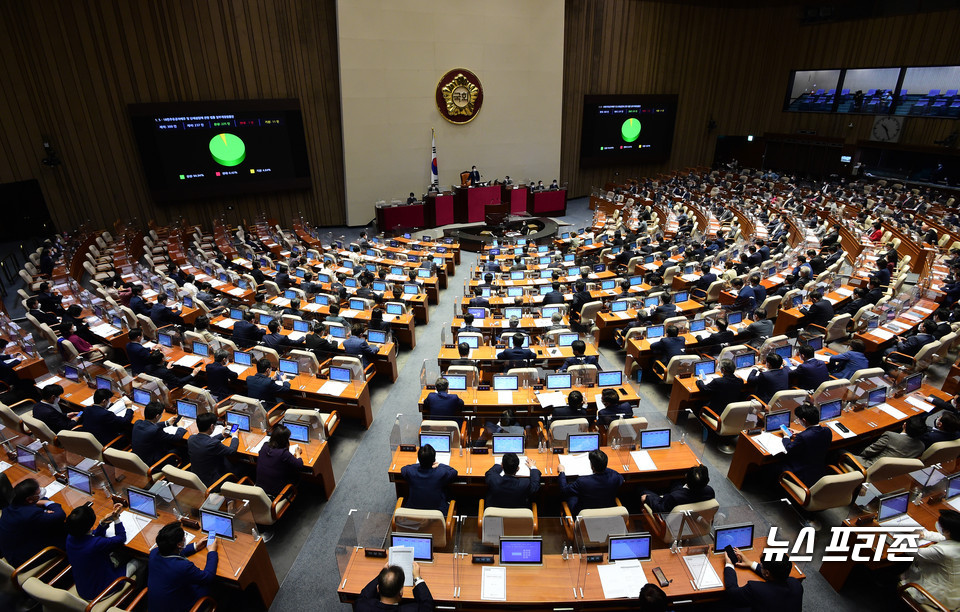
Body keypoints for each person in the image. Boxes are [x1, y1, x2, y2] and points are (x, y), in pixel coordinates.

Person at [65, 502, 133, 601]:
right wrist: (116, 519)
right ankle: (134, 595)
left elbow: (92, 536)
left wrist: (103, 523)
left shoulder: (70, 537)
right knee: (140, 561)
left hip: (84, 588)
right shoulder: (96, 544)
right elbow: (121, 538)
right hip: (101, 591)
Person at [148, 522, 218, 612]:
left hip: (158, 606)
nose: (184, 538)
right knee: (215, 586)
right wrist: (212, 551)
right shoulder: (183, 567)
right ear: (179, 544)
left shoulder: (154, 553)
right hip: (179, 607)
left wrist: (195, 546)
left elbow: (170, 553)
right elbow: (208, 577)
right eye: (183, 537)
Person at [900, 509, 960, 610]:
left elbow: (912, 551)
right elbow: (944, 537)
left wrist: (908, 537)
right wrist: (923, 534)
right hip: (954, 594)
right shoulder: (956, 538)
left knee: (900, 572)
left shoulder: (943, 551)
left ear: (947, 531)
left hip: (937, 597)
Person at [0, 479, 67, 566]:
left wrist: (39, 505)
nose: (41, 494)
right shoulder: (30, 514)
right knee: (69, 534)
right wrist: (48, 502)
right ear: (29, 499)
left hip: (13, 548)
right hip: (21, 559)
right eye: (38, 494)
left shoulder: (11, 506)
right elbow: (60, 515)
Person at [724, 549, 802, 612]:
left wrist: (729, 565)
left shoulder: (755, 588)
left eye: (761, 565)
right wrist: (750, 563)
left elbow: (732, 593)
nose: (760, 565)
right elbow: (775, 575)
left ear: (767, 573)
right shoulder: (796, 584)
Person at [558, 449, 624, 514]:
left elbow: (564, 490)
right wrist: (603, 467)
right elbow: (620, 478)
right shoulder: (615, 477)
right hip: (608, 511)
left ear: (592, 466)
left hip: (585, 514)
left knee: (571, 497)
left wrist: (562, 472)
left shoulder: (582, 482)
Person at [782, 402, 832, 486]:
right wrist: (803, 432)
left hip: (801, 473)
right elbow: (815, 435)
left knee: (775, 466)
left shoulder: (802, 437)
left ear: (804, 420)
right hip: (819, 469)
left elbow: (789, 448)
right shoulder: (827, 430)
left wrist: (786, 437)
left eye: (799, 419)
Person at [398, 444, 458, 513]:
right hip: (437, 513)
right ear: (434, 460)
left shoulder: (411, 472)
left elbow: (404, 468)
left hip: (413, 513)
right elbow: (454, 472)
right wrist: (439, 465)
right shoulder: (441, 473)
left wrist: (419, 465)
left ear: (419, 459)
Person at [852, 415, 927, 468]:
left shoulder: (890, 436)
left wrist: (859, 453)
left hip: (870, 466)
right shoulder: (921, 446)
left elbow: (868, 452)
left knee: (841, 451)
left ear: (904, 425)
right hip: (891, 472)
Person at [187, 412, 239, 486]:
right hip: (213, 482)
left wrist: (221, 435)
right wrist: (235, 436)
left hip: (198, 478)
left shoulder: (191, 439)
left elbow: (205, 441)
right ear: (212, 426)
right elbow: (232, 451)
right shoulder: (214, 444)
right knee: (242, 468)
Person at [356, 563, 433, 612]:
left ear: (378, 589)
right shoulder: (412, 610)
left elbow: (364, 595)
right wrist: (417, 578)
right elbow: (427, 604)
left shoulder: (362, 607)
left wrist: (384, 575)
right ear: (401, 593)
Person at [642, 465, 715, 513]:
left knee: (641, 489)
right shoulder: (710, 491)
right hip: (690, 506)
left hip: (668, 507)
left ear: (686, 477)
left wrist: (648, 498)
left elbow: (660, 509)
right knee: (676, 482)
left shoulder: (674, 497)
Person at [132, 401, 186, 466]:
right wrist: (181, 427)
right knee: (179, 450)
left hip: (139, 459)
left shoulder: (138, 423)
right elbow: (175, 438)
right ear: (157, 416)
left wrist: (167, 423)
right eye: (161, 414)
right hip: (152, 464)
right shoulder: (155, 431)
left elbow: (150, 425)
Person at [257, 423, 304, 496]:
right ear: (285, 440)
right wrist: (298, 453)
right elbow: (300, 465)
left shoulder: (265, 446)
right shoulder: (283, 453)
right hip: (277, 493)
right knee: (298, 476)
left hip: (260, 488)